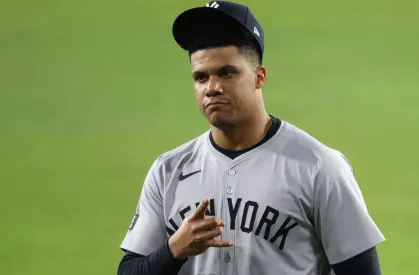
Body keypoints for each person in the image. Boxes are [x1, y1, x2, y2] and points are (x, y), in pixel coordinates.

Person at [117, 1, 386, 274]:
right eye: (200, 77)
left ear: (259, 77)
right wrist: (174, 249)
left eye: (226, 73)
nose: (212, 88)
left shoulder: (319, 167)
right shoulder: (167, 171)